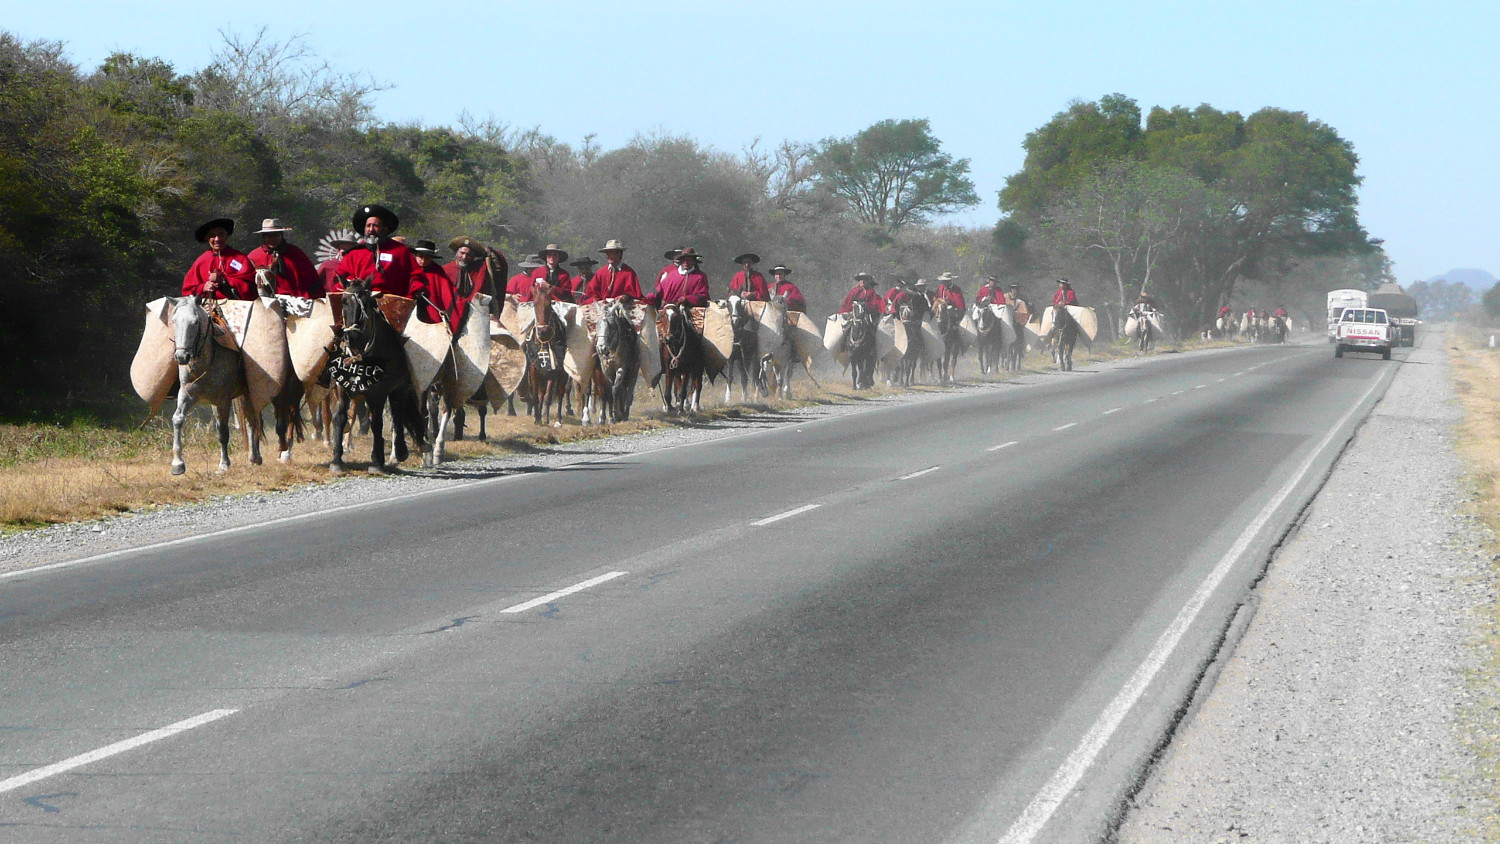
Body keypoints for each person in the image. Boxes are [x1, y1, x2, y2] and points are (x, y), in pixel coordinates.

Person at [335, 204, 423, 299]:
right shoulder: (354, 253)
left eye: (376, 226)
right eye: (368, 226)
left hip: (392, 304)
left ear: (385, 228)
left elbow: (416, 276)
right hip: (359, 302)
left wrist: (413, 293)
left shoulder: (400, 251)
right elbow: (340, 278)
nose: (371, 229)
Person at [245, 218, 322, 299]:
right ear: (263, 237)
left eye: (275, 235)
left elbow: (311, 279)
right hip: (265, 303)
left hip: (296, 301)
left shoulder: (295, 253)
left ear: (281, 235)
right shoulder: (254, 256)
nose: (272, 239)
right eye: (268, 236)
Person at [182, 217, 256, 299]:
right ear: (207, 239)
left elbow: (252, 288)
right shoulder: (201, 261)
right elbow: (187, 291)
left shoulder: (240, 259)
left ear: (226, 236)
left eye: (221, 234)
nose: (217, 239)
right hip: (206, 308)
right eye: (212, 236)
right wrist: (203, 288)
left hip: (236, 307)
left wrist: (224, 281)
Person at [411, 240, 461, 328]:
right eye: (421, 256)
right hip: (409, 309)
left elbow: (448, 292)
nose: (423, 260)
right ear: (415, 255)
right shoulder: (408, 268)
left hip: (430, 311)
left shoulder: (437, 271)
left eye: (427, 258)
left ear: (431, 258)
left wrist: (462, 302)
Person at [581, 239, 644, 304]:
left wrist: (626, 297)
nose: (608, 256)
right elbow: (592, 292)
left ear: (619, 254)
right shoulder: (601, 272)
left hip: (623, 307)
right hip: (602, 308)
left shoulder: (629, 273)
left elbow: (634, 293)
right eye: (607, 253)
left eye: (611, 252)